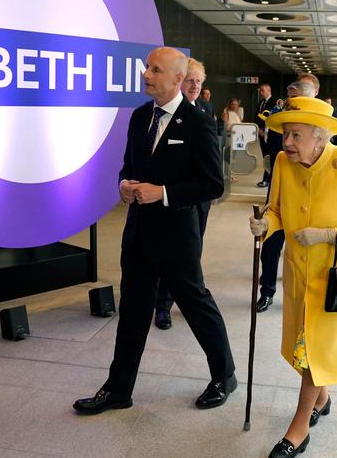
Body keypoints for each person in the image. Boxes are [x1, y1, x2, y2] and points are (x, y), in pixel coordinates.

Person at [73, 47, 236, 415]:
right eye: (147, 67)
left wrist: (162, 193)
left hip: (178, 237)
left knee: (196, 307)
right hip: (139, 235)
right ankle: (118, 389)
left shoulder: (196, 123)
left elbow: (212, 184)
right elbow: (128, 166)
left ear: (178, 79)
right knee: (132, 312)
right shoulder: (139, 117)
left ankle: (224, 376)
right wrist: (123, 186)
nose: (147, 74)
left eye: (156, 69)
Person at [249, 96, 337, 457]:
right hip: (296, 274)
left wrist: (326, 235)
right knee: (301, 351)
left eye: (295, 135)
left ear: (320, 138)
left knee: (311, 353)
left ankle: (299, 427)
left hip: (332, 280)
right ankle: (321, 399)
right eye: (285, 134)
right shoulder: (281, 161)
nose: (287, 143)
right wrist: (265, 224)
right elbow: (275, 209)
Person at [154, 58, 215, 330]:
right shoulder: (163, 114)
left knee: (191, 254)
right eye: (190, 80)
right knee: (169, 255)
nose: (194, 86)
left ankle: (187, 300)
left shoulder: (204, 111)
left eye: (199, 82)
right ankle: (163, 305)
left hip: (198, 202)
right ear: (179, 81)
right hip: (170, 202)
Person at [256, 79, 317, 313]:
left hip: (312, 204)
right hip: (281, 195)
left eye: (297, 101)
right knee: (271, 246)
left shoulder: (321, 131)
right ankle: (267, 291)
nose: (290, 106)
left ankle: (307, 296)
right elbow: (274, 151)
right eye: (289, 101)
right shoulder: (281, 124)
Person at [255, 84, 279, 188]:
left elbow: (273, 117)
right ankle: (266, 178)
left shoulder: (275, 102)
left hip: (269, 133)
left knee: (269, 156)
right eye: (260, 91)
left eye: (262, 91)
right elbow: (257, 116)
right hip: (261, 133)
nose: (261, 93)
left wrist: (265, 130)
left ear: (269, 91)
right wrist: (258, 129)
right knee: (265, 156)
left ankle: (267, 179)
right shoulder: (261, 102)